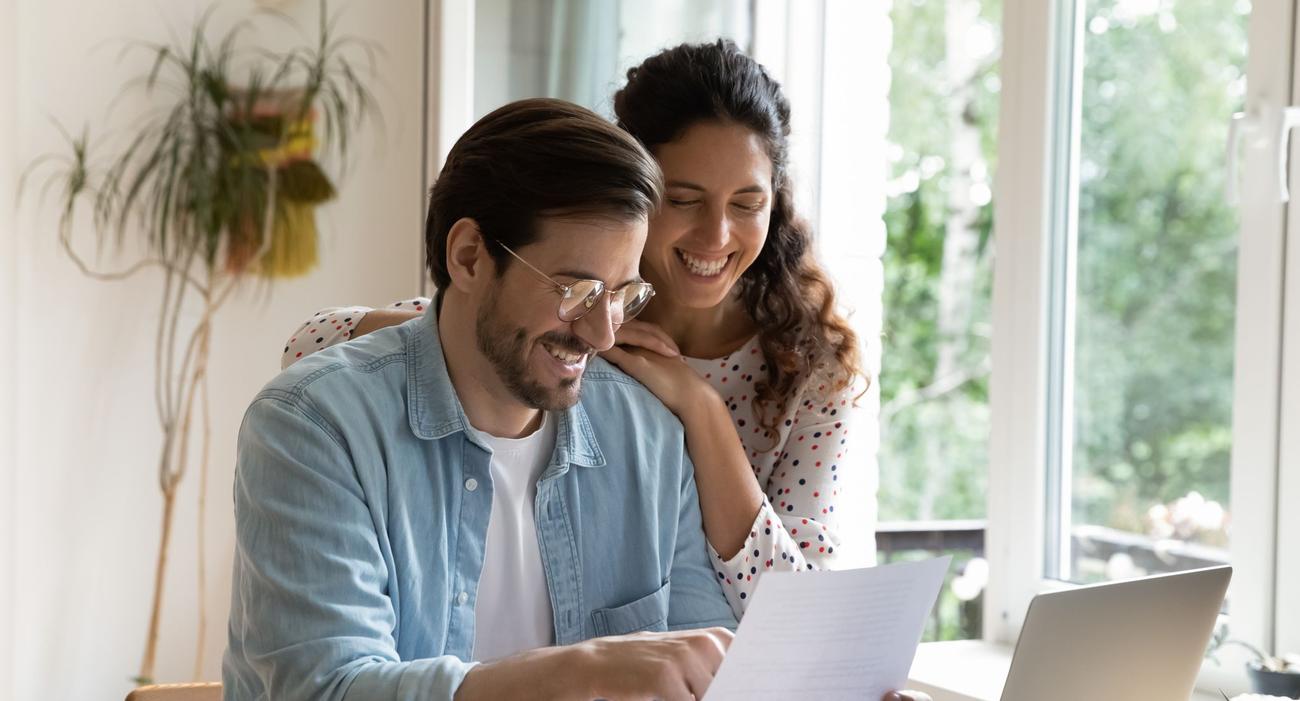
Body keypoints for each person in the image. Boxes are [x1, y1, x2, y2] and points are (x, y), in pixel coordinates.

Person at [284, 39, 871, 617]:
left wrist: (700, 409)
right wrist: (458, 328)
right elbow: (309, 346)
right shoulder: (553, 323)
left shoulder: (809, 369)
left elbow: (800, 611)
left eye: (747, 204)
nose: (717, 236)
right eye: (685, 200)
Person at [224, 97, 738, 701]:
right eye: (576, 290)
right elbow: (327, 690)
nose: (603, 333)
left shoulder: (648, 435)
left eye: (623, 294)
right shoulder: (313, 426)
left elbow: (715, 671)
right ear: (468, 256)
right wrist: (583, 673)